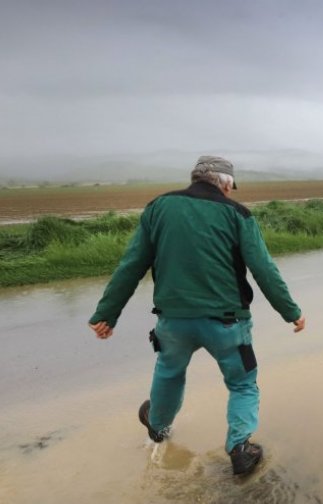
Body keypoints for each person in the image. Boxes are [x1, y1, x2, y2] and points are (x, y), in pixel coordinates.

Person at [88, 156, 305, 475]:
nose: (231, 192)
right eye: (232, 186)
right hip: (228, 322)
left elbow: (131, 265)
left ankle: (158, 427)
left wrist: (107, 313)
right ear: (225, 183)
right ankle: (240, 448)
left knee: (169, 372)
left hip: (172, 322)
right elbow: (263, 269)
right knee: (243, 384)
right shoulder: (238, 214)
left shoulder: (158, 207)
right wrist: (291, 312)